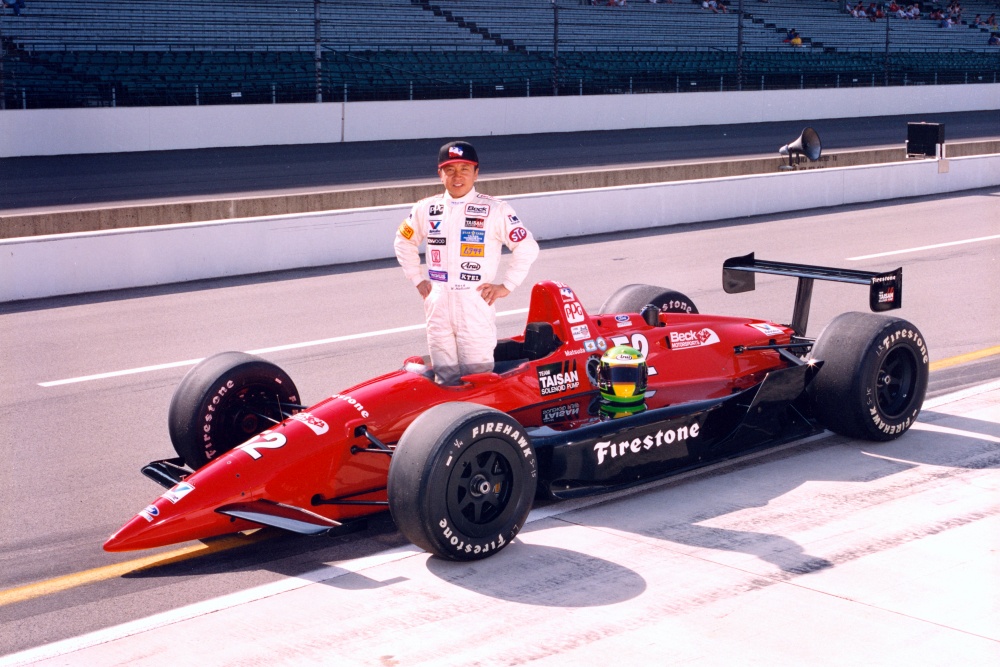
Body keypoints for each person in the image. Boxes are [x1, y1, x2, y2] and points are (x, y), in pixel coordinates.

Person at [394, 141, 540, 385]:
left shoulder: (495, 209)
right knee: (444, 377)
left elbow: (526, 246)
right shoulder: (426, 208)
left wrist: (507, 285)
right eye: (450, 169)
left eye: (464, 168)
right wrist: (417, 278)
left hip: (475, 301)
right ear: (440, 173)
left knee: (479, 377)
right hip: (437, 301)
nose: (457, 176)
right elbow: (403, 241)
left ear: (476, 172)